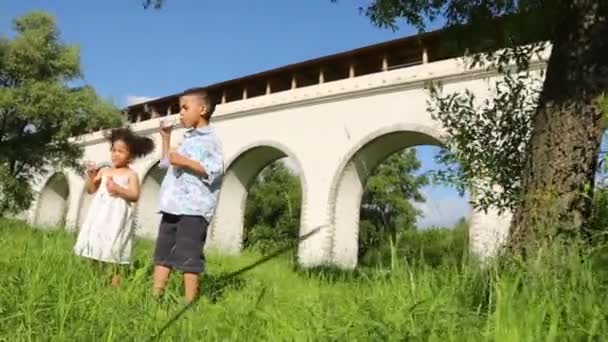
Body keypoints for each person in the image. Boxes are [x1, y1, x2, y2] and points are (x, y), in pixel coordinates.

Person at [153, 87, 224, 303]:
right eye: (179, 108)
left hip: (194, 207)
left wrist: (184, 161)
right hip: (172, 204)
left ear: (202, 109)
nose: (180, 113)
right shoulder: (186, 138)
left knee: (188, 254)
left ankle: (189, 302)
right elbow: (166, 163)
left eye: (185, 107)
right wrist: (166, 138)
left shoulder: (211, 139)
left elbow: (214, 169)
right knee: (162, 252)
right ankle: (155, 297)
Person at [73, 127, 155, 287]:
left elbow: (135, 195)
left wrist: (118, 189)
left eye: (120, 151)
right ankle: (94, 284)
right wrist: (91, 177)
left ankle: (113, 288)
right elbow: (91, 190)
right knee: (95, 250)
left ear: (130, 156)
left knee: (114, 254)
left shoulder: (131, 174)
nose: (115, 154)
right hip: (99, 219)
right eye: (113, 150)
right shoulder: (104, 171)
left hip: (116, 220)